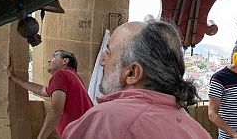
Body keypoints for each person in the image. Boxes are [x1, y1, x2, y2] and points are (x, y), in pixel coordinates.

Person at [61, 20, 210, 138]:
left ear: (132, 73)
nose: (102, 61)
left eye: (109, 52)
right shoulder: (198, 131)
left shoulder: (105, 120)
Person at [8, 49, 93, 139]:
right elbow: (41, 90)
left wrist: (41, 137)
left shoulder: (61, 74)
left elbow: (56, 112)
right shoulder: (71, 76)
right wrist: (14, 77)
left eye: (54, 56)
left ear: (65, 61)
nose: (49, 60)